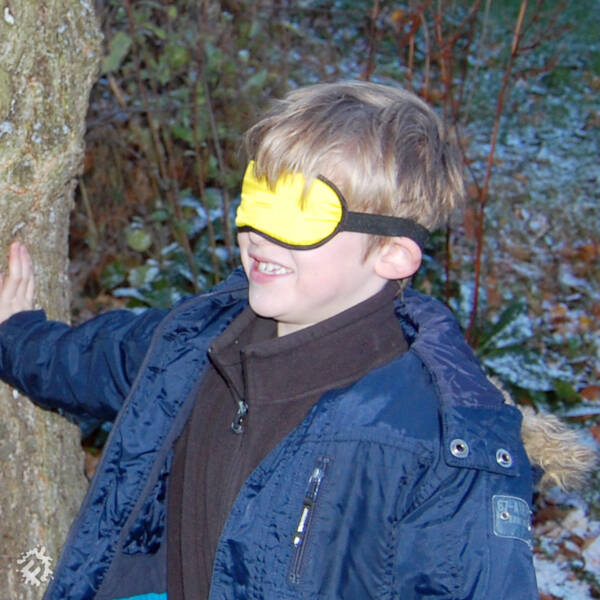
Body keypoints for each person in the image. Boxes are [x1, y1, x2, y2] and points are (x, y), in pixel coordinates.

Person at [0, 81, 542, 600]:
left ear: (392, 254)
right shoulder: (199, 343)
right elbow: (93, 361)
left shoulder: (437, 446)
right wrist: (14, 333)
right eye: (258, 197)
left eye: (302, 212)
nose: (259, 232)